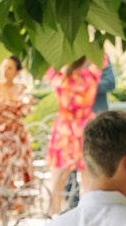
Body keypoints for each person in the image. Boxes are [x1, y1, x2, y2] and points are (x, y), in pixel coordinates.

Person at [42, 54, 101, 213]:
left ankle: (51, 217)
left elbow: (45, 62)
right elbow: (101, 58)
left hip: (64, 131)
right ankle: (90, 215)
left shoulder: (60, 79)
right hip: (86, 130)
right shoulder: (91, 77)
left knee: (57, 181)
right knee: (90, 179)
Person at [0, 51, 35, 206]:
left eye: (9, 68)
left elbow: (28, 108)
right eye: (3, 66)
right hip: (0, 134)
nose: (5, 70)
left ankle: (19, 204)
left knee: (19, 167)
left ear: (16, 71)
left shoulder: (22, 87)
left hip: (18, 132)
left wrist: (28, 102)